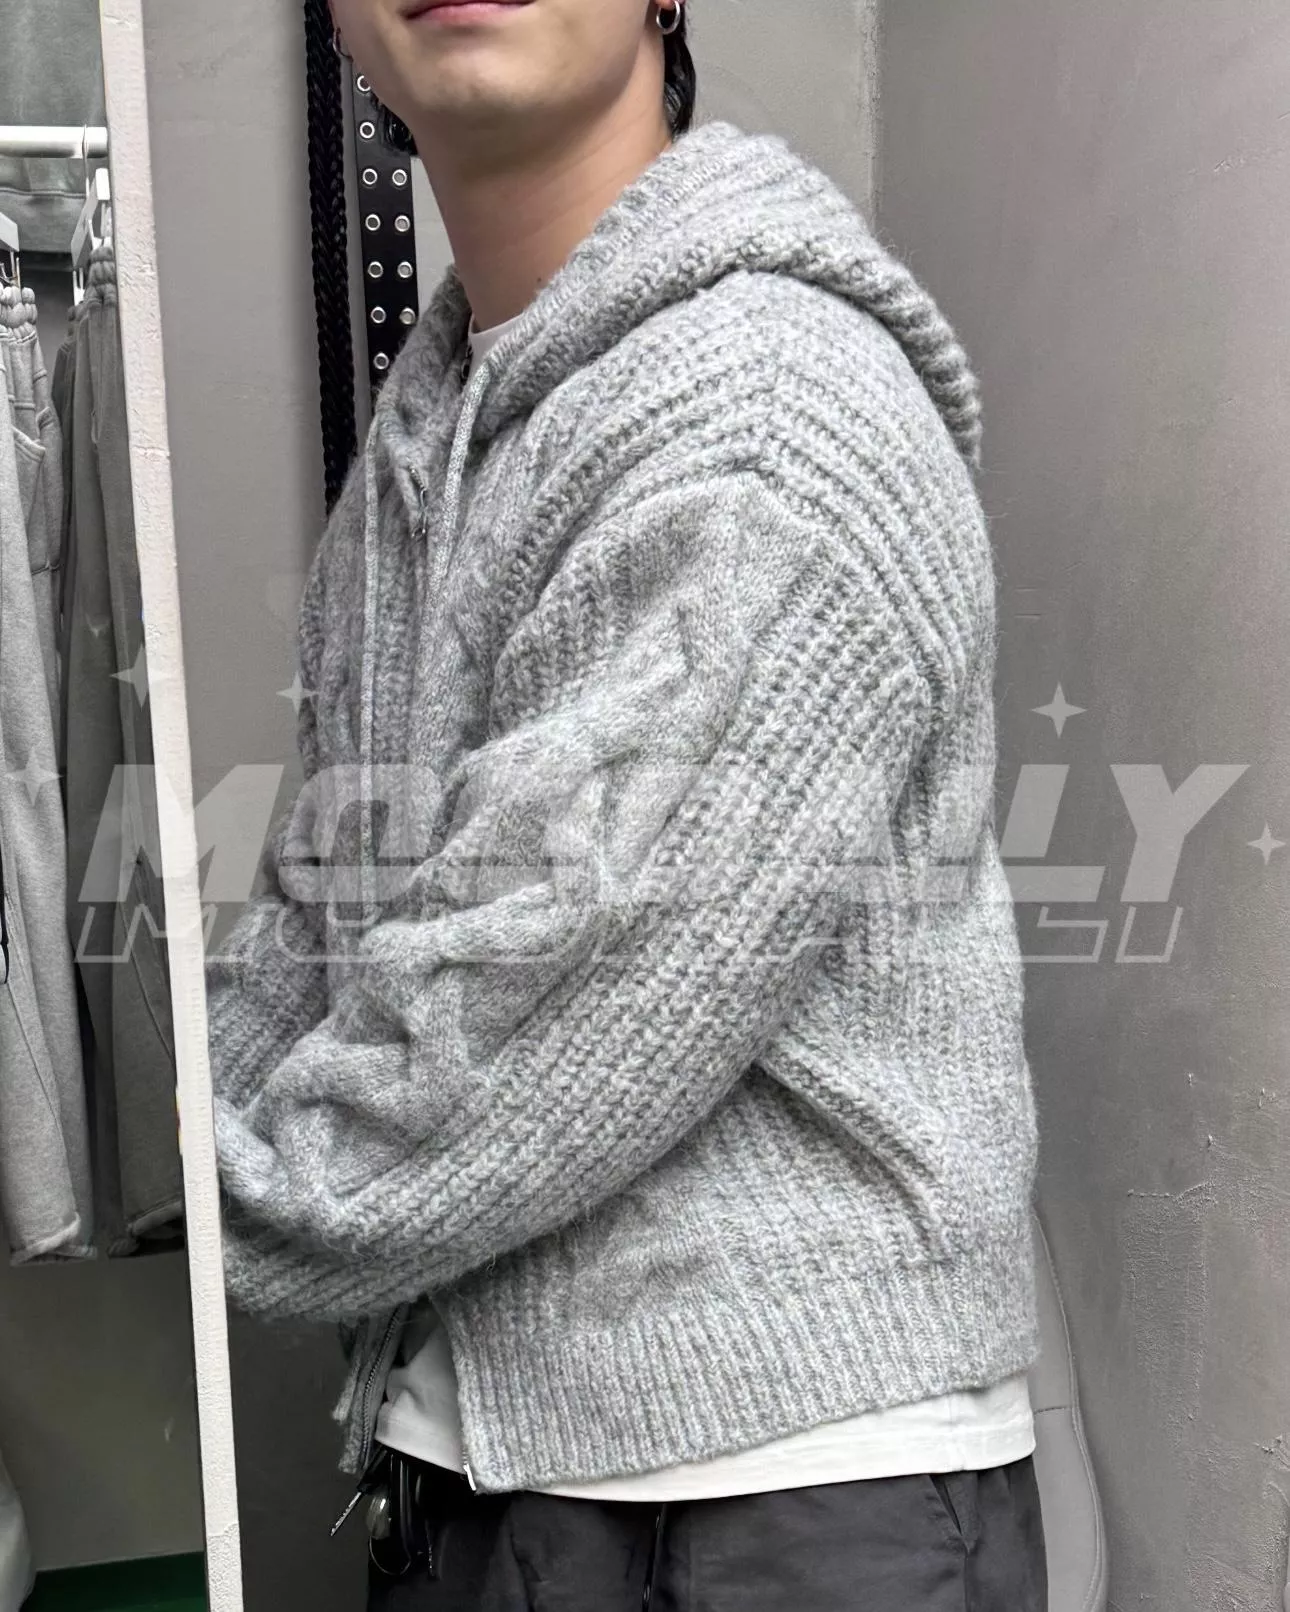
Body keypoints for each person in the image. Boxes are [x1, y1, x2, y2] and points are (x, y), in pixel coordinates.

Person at [206, 1, 1049, 1606]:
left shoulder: (766, 410)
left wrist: (205, 1197)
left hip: (780, 1512)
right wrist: (177, 1137)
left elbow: (526, 1028)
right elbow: (327, 911)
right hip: (480, 1468)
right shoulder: (433, 435)